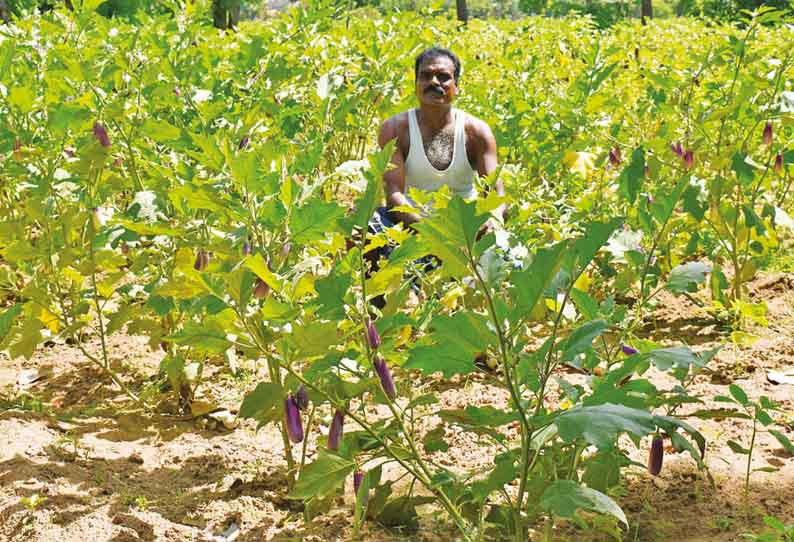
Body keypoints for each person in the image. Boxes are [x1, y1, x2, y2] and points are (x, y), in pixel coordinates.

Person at [370, 46, 505, 243]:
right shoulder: (395, 129)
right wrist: (433, 234)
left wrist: (493, 217)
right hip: (413, 225)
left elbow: (496, 194)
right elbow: (394, 195)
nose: (433, 82)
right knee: (361, 227)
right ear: (416, 84)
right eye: (425, 76)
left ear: (457, 86)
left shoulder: (477, 132)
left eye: (443, 77)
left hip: (466, 231)